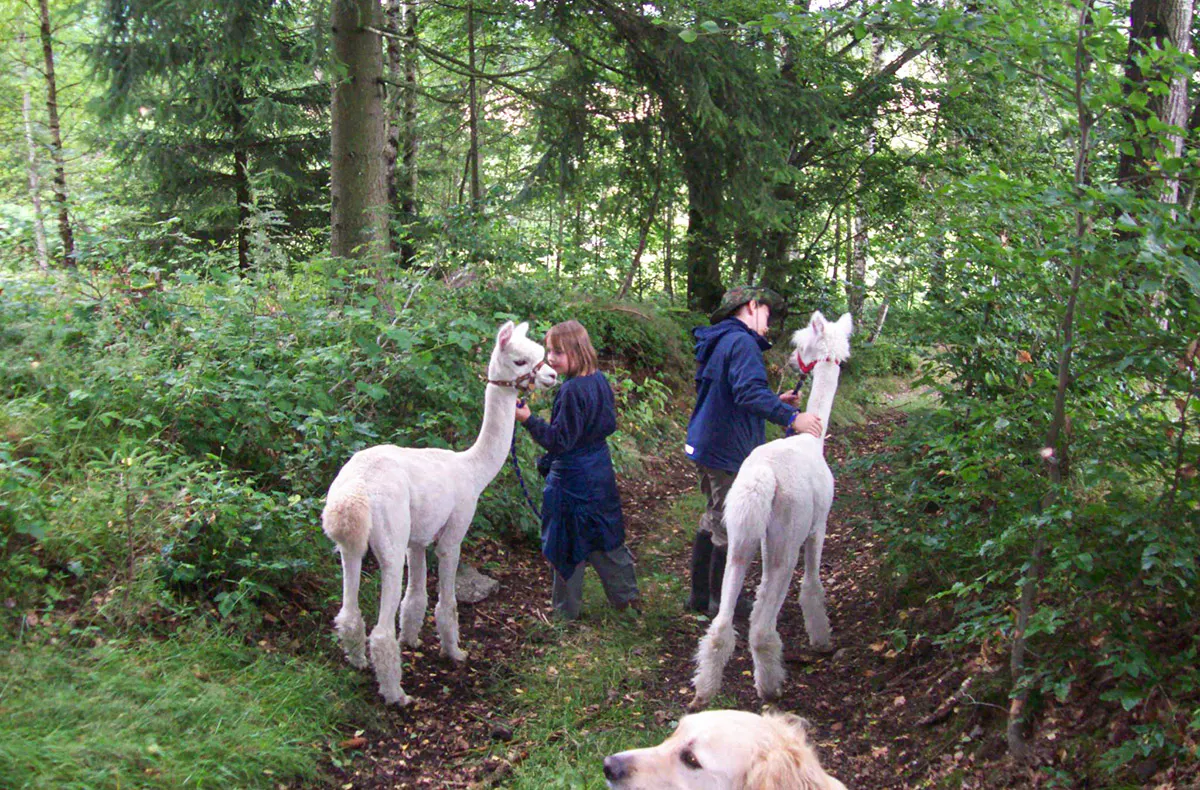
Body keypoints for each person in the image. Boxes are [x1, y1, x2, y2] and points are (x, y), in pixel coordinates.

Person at [684, 286, 822, 616]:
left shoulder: (720, 341)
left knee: (713, 516)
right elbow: (747, 393)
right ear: (751, 306)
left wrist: (775, 402)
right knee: (728, 523)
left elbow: (732, 394)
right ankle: (723, 603)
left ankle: (699, 598)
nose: (768, 324)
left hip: (706, 443)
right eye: (767, 315)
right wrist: (793, 417)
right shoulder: (742, 342)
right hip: (725, 449)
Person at [516, 320, 640, 621]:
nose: (551, 359)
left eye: (558, 352)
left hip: (572, 480)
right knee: (605, 536)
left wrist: (528, 418)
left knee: (565, 543)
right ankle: (627, 601)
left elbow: (558, 441)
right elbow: (602, 426)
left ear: (577, 351)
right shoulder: (598, 380)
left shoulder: (571, 391)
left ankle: (563, 614)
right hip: (599, 472)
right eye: (549, 352)